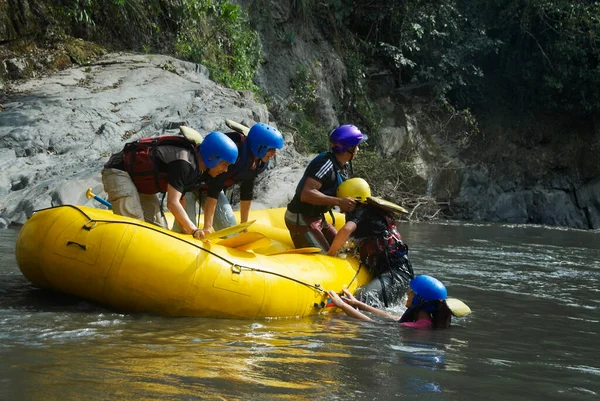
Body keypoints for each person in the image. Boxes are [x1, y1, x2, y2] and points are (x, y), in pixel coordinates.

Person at [102, 131, 238, 239]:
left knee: (160, 231)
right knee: (136, 228)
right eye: (224, 164)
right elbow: (172, 203)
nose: (225, 170)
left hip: (141, 186)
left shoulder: (197, 171)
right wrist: (194, 229)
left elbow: (180, 199)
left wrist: (185, 230)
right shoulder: (184, 163)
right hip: (120, 172)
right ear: (212, 157)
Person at [327, 178, 414, 307]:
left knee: (362, 298)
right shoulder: (372, 211)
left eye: (342, 201)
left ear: (351, 200)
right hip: (396, 273)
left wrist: (330, 254)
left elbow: (346, 229)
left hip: (396, 275)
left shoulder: (363, 211)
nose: (340, 206)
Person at [285, 124, 367, 251]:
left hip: (317, 217)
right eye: (356, 146)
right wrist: (339, 202)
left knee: (342, 249)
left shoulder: (342, 166)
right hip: (300, 216)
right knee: (323, 256)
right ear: (348, 148)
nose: (358, 149)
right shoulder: (326, 164)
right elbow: (306, 194)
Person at [191, 123, 284, 232]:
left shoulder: (258, 162)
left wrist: (243, 225)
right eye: (271, 149)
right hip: (191, 184)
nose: (274, 153)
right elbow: (214, 188)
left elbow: (247, 191)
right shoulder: (234, 155)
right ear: (260, 146)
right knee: (187, 229)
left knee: (230, 231)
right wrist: (207, 226)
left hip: (210, 190)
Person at [326, 275, 453, 330]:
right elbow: (389, 317)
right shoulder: (424, 321)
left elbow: (374, 324)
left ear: (420, 299)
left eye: (412, 292)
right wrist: (358, 304)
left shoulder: (415, 326)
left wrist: (342, 305)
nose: (408, 294)